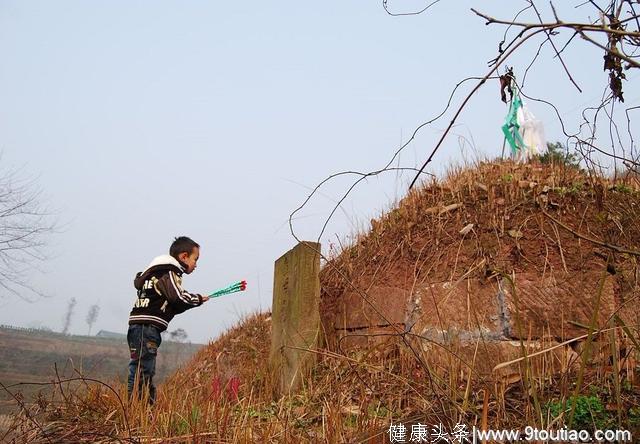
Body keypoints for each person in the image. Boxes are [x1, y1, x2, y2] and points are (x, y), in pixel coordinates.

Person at [127, 236, 209, 404]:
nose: (196, 264)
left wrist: (193, 301)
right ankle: (140, 409)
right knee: (144, 370)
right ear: (184, 256)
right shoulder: (169, 271)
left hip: (137, 326)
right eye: (196, 259)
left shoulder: (153, 273)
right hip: (147, 328)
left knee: (139, 368)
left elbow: (169, 304)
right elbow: (178, 298)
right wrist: (197, 299)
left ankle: (137, 407)